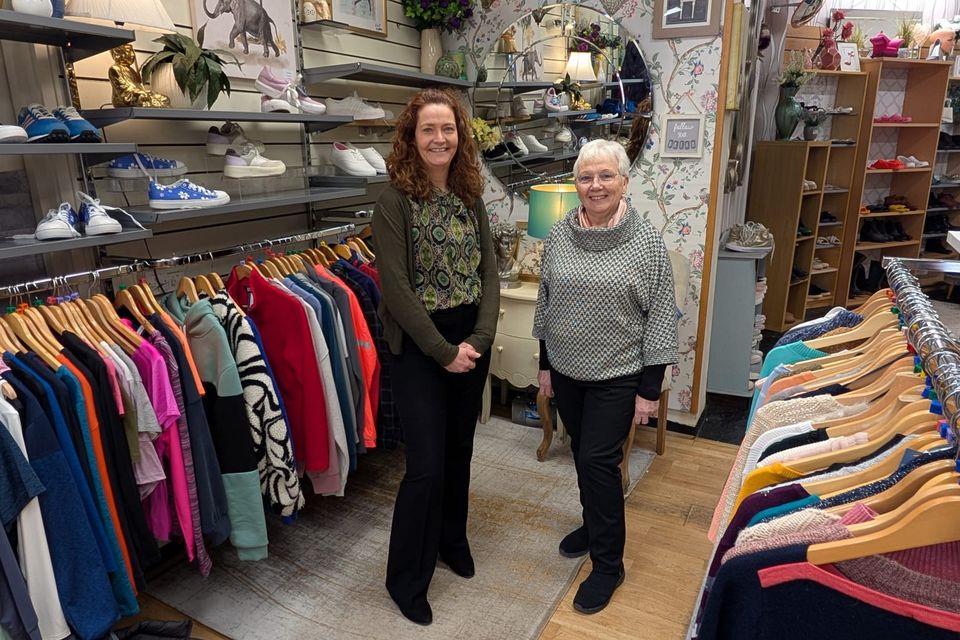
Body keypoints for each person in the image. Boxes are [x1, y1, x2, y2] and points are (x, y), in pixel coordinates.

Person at [533, 139, 679, 614]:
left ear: (624, 182)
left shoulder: (647, 242)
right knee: (580, 451)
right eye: (586, 177)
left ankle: (609, 564)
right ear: (576, 184)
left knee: (597, 460)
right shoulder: (558, 235)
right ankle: (594, 524)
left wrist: (649, 390)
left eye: (605, 176)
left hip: (620, 374)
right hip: (568, 371)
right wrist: (545, 365)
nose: (595, 186)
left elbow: (660, 317)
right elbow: (546, 302)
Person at [373, 87, 500, 626]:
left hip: (468, 339)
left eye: (447, 129)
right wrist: (444, 352)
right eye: (428, 129)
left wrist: (482, 337)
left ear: (459, 137)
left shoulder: (471, 194)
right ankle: (406, 578)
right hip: (422, 347)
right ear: (412, 136)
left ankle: (452, 541)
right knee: (424, 466)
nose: (439, 138)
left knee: (460, 450)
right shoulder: (394, 200)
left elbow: (489, 270)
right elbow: (397, 290)